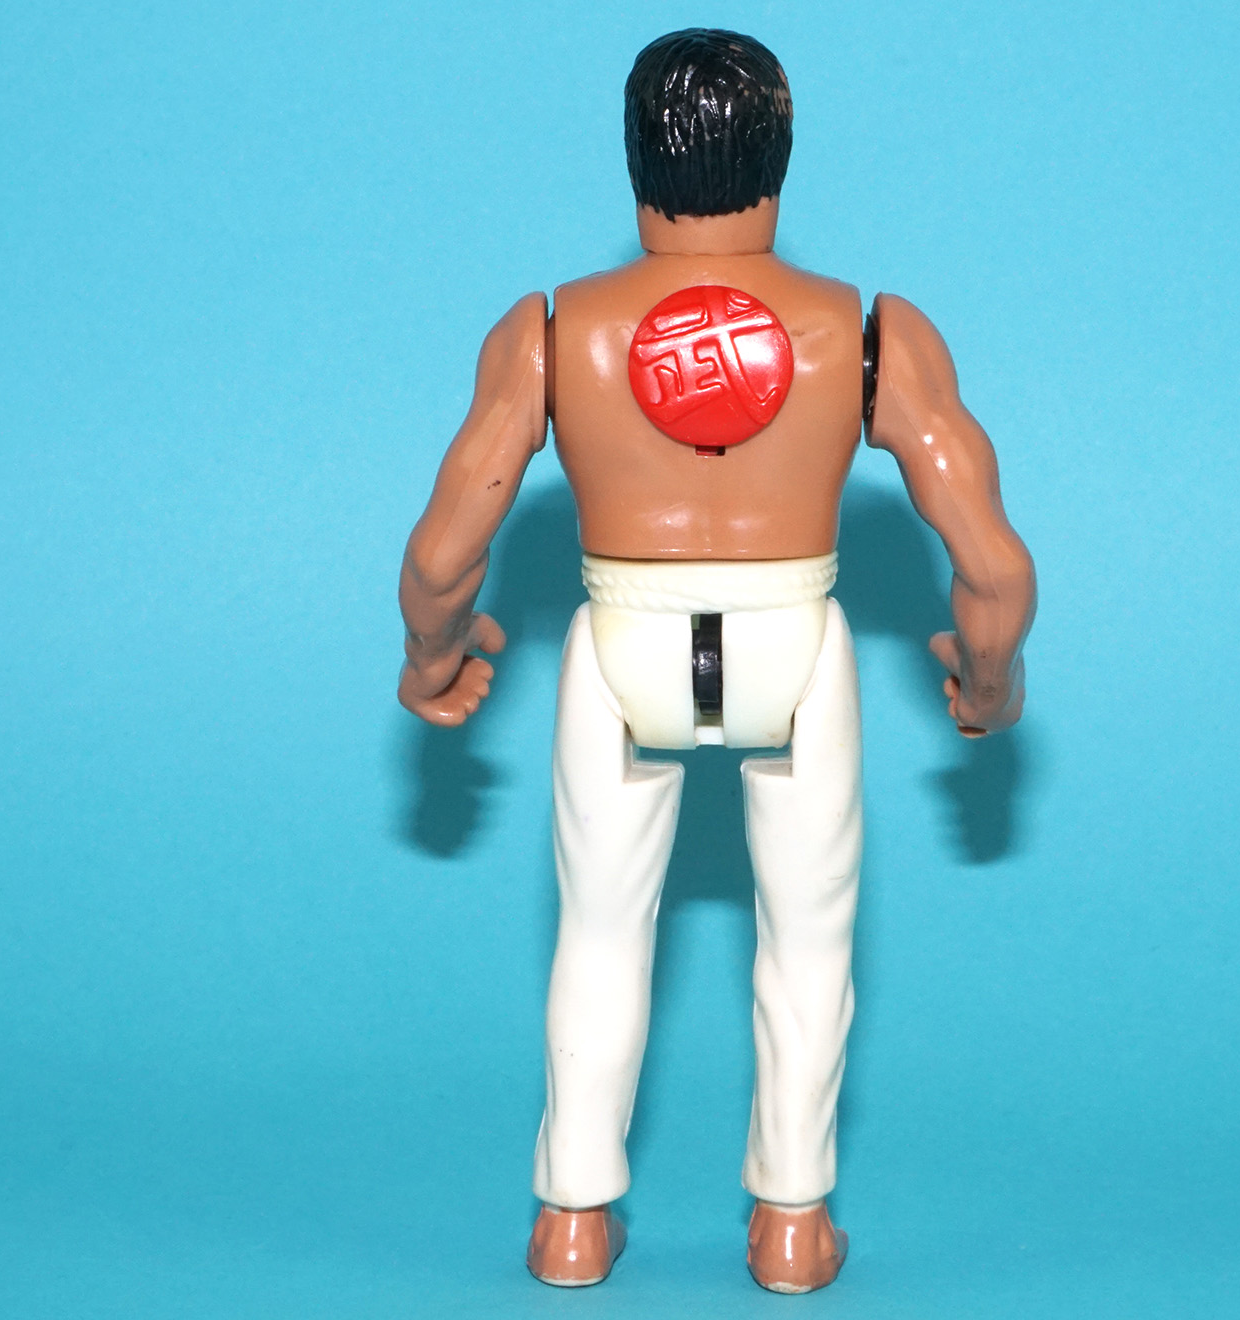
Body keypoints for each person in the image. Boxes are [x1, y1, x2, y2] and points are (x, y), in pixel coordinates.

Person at [396, 28, 1036, 1294]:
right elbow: (992, 565)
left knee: (596, 935)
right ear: (781, 156)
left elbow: (448, 541)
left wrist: (432, 657)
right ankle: (792, 1224)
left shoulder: (552, 334)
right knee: (809, 941)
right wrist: (986, 680)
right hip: (793, 643)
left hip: (621, 640)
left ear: (633, 160)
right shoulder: (863, 336)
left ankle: (571, 1221)